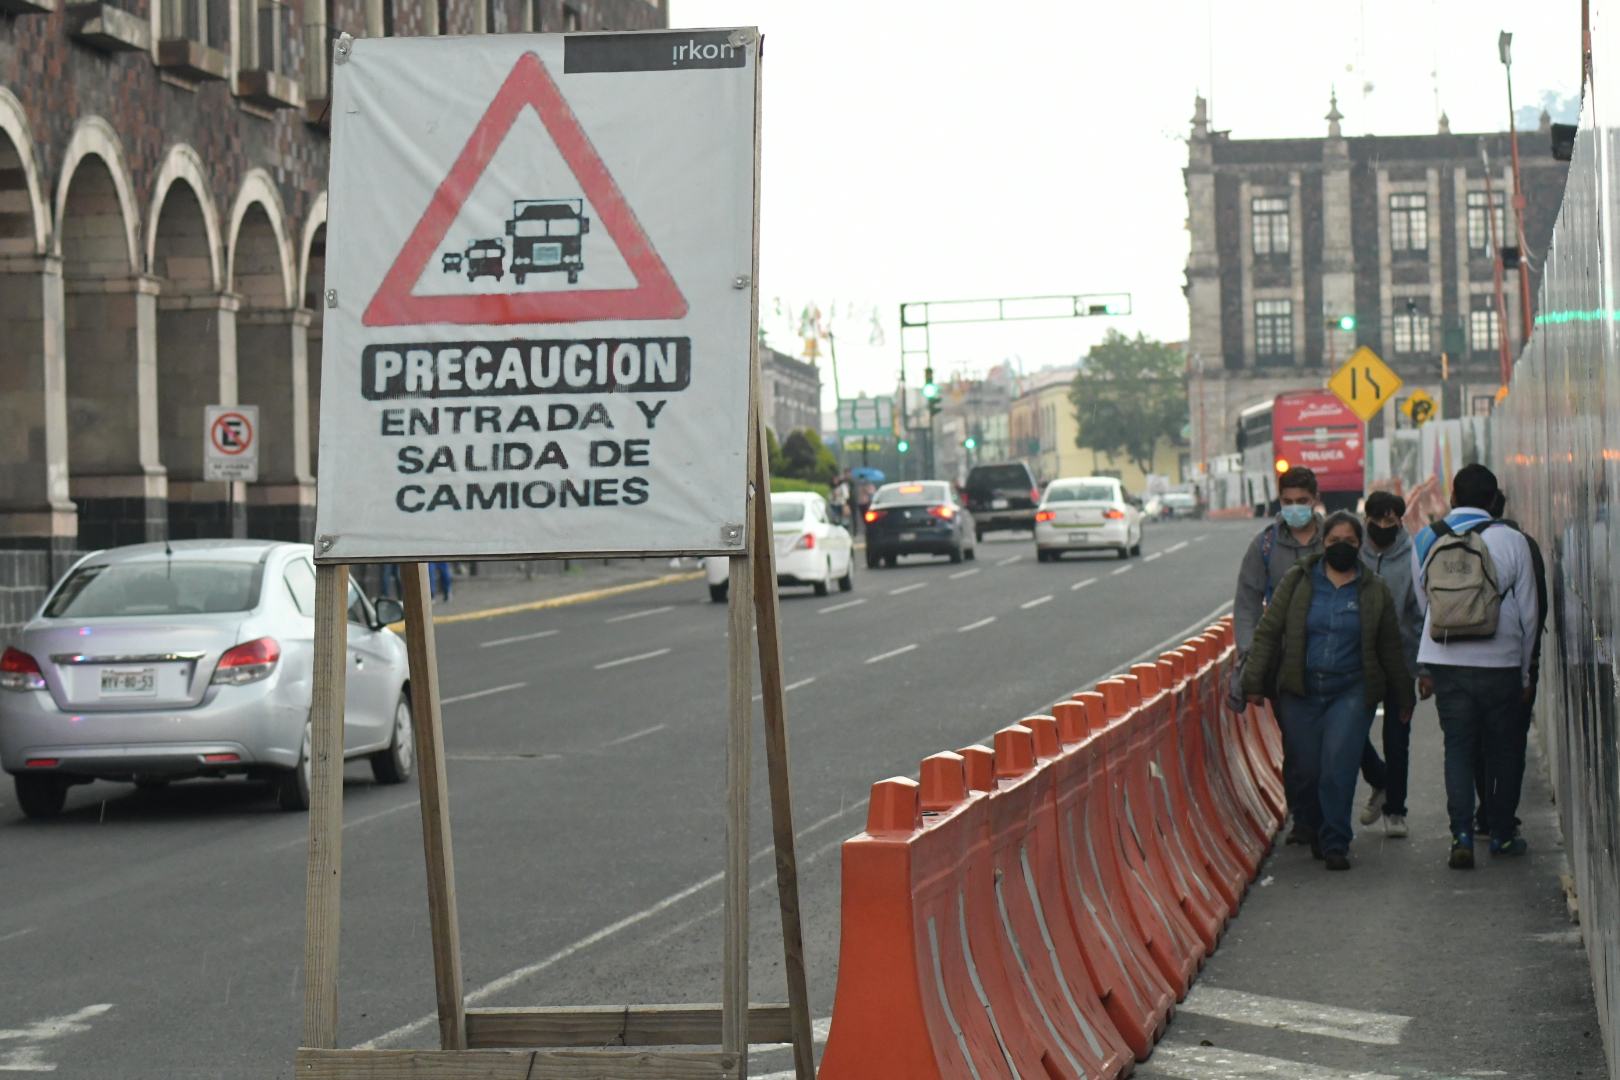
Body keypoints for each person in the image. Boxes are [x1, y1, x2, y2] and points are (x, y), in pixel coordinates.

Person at [1242, 511, 1415, 870]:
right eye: (1334, 541)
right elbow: (1269, 631)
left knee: (1338, 767)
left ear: (1361, 545)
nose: (1341, 548)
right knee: (1306, 770)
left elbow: (1390, 648)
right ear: (1322, 544)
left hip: (1350, 693)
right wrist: (1253, 683)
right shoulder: (1298, 581)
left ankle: (1336, 841)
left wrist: (1404, 695)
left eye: (1349, 542)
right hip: (1300, 692)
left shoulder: (1374, 590)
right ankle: (1317, 828)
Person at [1412, 464, 1540, 869]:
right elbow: (1530, 614)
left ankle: (1462, 835)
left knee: (1459, 749)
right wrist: (1525, 671)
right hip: (1500, 662)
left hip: (1448, 661)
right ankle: (1501, 835)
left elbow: (1424, 605)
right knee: (1503, 748)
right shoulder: (1513, 540)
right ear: (1492, 499)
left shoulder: (1426, 538)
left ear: (1452, 497)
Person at [1233, 465, 1325, 845]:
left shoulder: (1335, 537)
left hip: (1333, 658)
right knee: (1298, 744)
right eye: (1288, 502)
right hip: (1286, 663)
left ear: (1315, 500)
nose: (1295, 509)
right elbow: (1247, 603)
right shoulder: (1265, 545)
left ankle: (1331, 819)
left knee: (1335, 743)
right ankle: (1305, 819)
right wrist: (1250, 656)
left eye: (1302, 502)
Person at [1470, 487, 1548, 839]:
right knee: (1509, 744)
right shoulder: (1521, 543)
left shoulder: (1447, 543)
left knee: (1474, 743)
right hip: (1509, 662)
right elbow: (1536, 608)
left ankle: (1482, 814)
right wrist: (1529, 668)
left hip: (1461, 664)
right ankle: (1502, 818)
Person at [1354, 491, 1426, 838]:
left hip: (1400, 664)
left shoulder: (1413, 559)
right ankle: (1379, 780)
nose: (1383, 526)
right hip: (1358, 662)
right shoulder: (1352, 556)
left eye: (1390, 521)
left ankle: (1395, 809)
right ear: (1366, 520)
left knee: (1398, 738)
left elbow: (1421, 614)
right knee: (1349, 732)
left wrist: (1425, 669)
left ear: (1400, 522)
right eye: (1377, 520)